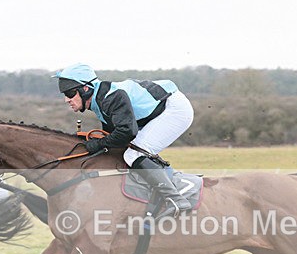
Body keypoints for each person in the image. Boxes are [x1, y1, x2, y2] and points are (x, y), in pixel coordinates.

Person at [53, 63, 194, 218]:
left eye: (70, 93)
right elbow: (112, 137)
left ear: (85, 89)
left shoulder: (111, 97)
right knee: (127, 152)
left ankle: (176, 200)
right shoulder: (99, 101)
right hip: (160, 109)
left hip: (174, 110)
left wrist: (99, 143)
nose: (67, 99)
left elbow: (127, 132)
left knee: (133, 155)